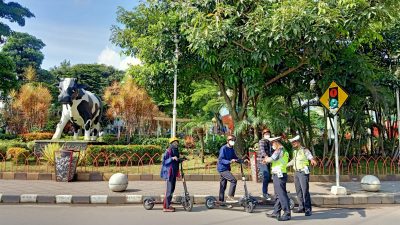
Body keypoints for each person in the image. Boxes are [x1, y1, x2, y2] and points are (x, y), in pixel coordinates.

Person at [287, 135, 317, 216]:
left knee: (305, 191)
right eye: (292, 142)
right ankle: (301, 207)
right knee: (298, 191)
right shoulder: (295, 151)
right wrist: (285, 165)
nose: (293, 144)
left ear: (298, 142)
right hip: (296, 173)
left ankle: (308, 209)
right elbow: (293, 161)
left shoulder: (304, 150)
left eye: (294, 142)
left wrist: (312, 160)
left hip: (303, 172)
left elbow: (309, 156)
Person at [264, 136, 291, 221]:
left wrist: (266, 159)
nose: (272, 145)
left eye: (272, 143)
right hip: (279, 174)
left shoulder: (279, 150)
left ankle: (287, 213)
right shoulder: (284, 150)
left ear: (276, 142)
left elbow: (272, 159)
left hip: (280, 175)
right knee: (278, 195)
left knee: (282, 195)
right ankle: (276, 211)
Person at [160, 137, 180, 212]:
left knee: (172, 189)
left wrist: (181, 159)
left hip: (174, 172)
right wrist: (171, 158)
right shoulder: (168, 151)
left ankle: (168, 204)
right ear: (171, 143)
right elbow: (164, 162)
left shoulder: (176, 151)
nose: (176, 144)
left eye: (177, 143)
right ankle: (166, 207)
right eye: (175, 143)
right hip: (169, 173)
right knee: (169, 190)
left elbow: (176, 160)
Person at [217, 134, 239, 203]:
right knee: (233, 180)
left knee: (223, 185)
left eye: (234, 140)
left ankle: (221, 201)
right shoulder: (223, 148)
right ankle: (230, 196)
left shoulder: (231, 149)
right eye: (231, 140)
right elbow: (221, 159)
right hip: (222, 169)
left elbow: (234, 157)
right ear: (227, 141)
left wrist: (241, 160)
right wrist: (229, 161)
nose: (233, 141)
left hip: (226, 168)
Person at [257, 129, 273, 200]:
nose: (267, 135)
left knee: (268, 177)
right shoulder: (261, 141)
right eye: (266, 134)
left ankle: (265, 192)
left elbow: (271, 151)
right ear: (263, 135)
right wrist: (266, 157)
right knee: (266, 176)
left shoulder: (269, 142)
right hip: (262, 161)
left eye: (268, 134)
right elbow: (262, 150)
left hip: (268, 161)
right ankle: (264, 193)